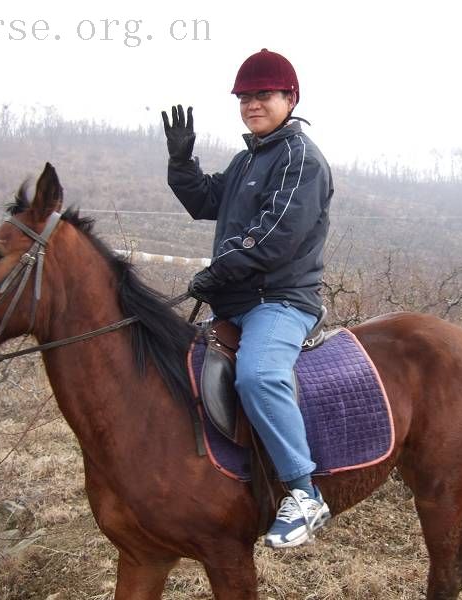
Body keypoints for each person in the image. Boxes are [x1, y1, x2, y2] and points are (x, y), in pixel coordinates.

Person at [162, 48, 334, 548]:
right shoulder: (247, 160)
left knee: (257, 375)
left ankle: (304, 493)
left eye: (263, 95)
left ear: (290, 98)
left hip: (280, 301)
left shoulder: (301, 159)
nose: (252, 104)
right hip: (235, 302)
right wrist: (181, 161)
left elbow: (274, 236)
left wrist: (217, 270)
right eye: (244, 97)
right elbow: (203, 202)